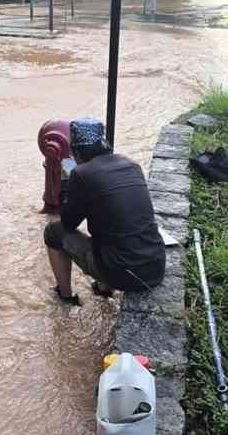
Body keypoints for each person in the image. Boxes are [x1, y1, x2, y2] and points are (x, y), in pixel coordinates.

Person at [44, 118, 166, 306]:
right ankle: (103, 290)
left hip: (123, 273)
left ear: (75, 152)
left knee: (53, 232)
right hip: (155, 266)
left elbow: (68, 223)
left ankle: (65, 295)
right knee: (111, 230)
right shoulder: (131, 164)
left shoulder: (82, 174)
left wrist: (67, 183)